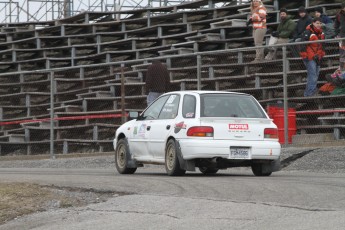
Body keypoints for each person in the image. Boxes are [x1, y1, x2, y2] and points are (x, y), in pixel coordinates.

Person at [299, 17, 325, 97]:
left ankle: (308, 93)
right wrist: (305, 56)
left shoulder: (322, 33)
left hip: (317, 57)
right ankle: (310, 93)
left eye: (320, 23)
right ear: (313, 23)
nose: (319, 25)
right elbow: (303, 45)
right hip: (309, 58)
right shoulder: (308, 32)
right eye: (317, 23)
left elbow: (322, 46)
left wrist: (321, 55)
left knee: (315, 75)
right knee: (313, 75)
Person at [334, 3, 345, 70]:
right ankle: (341, 68)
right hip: (342, 36)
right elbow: (336, 25)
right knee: (342, 53)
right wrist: (337, 34)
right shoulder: (339, 15)